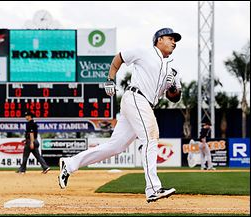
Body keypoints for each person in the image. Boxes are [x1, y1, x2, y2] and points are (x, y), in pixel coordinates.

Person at [58, 27, 182, 203]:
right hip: (136, 98)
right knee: (151, 138)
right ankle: (153, 188)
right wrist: (110, 79)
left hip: (144, 105)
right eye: (170, 38)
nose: (174, 42)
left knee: (115, 147)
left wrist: (173, 87)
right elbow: (120, 58)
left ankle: (70, 164)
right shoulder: (145, 52)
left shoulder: (171, 69)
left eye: (175, 40)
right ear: (159, 39)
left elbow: (174, 98)